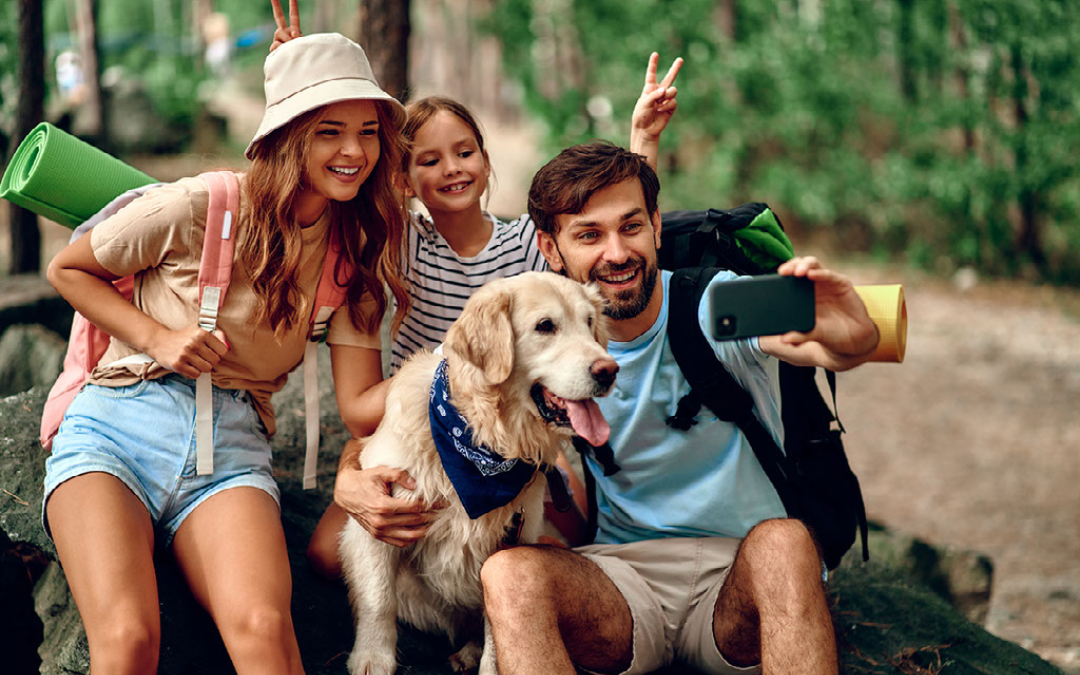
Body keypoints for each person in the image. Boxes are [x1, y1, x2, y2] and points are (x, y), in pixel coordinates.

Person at [266, 0, 686, 577]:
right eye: (429, 160)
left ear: (487, 163)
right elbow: (329, 195)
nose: (452, 169)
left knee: (555, 547)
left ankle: (507, 616)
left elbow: (611, 227)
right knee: (327, 554)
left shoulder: (524, 248)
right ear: (403, 179)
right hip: (427, 419)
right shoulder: (399, 245)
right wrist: (301, 84)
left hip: (516, 420)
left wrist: (643, 141)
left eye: (465, 153)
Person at [42, 30, 408, 674]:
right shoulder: (200, 203)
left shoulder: (352, 256)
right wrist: (159, 337)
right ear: (287, 136)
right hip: (118, 423)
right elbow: (69, 269)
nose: (354, 151)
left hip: (233, 445)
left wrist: (445, 374)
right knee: (127, 641)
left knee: (266, 631)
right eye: (329, 130)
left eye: (369, 131)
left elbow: (357, 407)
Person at [472, 141, 880, 675]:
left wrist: (855, 332)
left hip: (742, 576)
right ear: (551, 247)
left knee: (786, 542)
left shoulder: (717, 302)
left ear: (657, 226)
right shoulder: (536, 346)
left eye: (631, 226)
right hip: (622, 581)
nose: (616, 253)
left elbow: (827, 341)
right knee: (507, 575)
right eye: (589, 235)